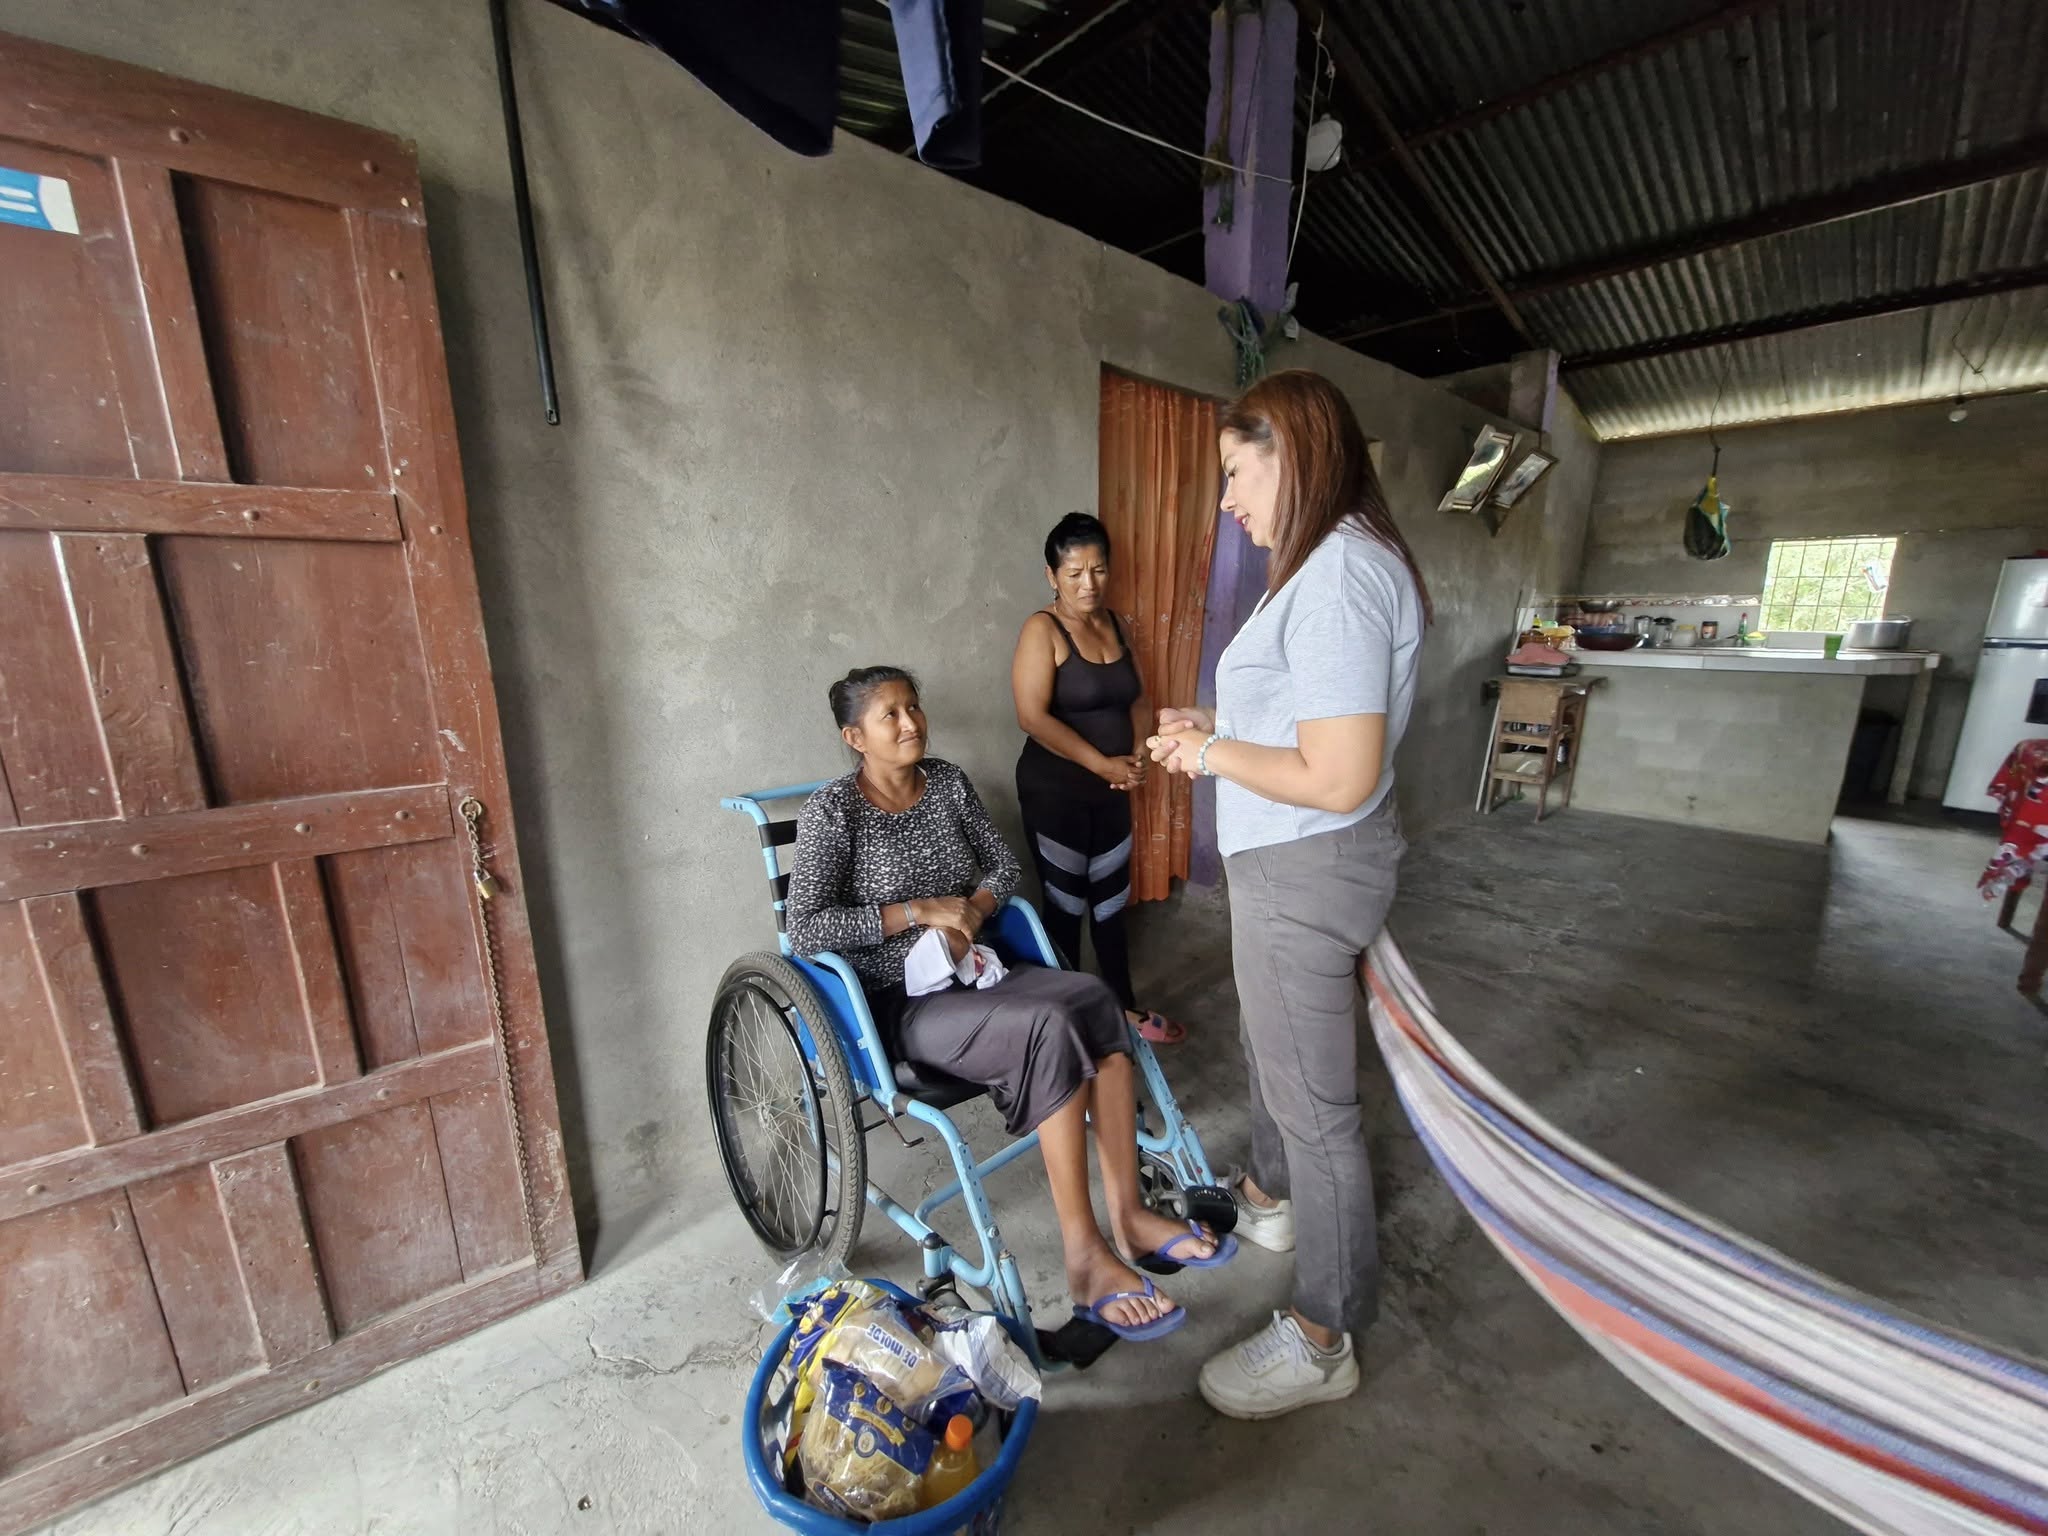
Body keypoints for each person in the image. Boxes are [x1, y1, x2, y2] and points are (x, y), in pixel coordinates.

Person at [785, 666, 1233, 1340]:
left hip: (978, 968)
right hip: (899, 1005)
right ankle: (1085, 1258)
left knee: (1093, 998)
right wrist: (917, 912)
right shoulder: (833, 812)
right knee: (1049, 1025)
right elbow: (806, 929)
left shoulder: (947, 782)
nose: (910, 723)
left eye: (914, 706)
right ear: (855, 737)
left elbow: (1002, 865)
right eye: (890, 715)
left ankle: (1131, 1216)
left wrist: (974, 908)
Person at [1146, 369, 1428, 1419]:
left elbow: (1339, 774)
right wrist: (1217, 725)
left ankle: (1322, 1336)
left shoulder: (1340, 573)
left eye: (1236, 473)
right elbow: (1311, 725)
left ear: (1294, 456)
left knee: (1317, 1114)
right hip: (1294, 859)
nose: (1226, 500)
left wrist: (1210, 752)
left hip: (1309, 864)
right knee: (1273, 1054)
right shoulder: (1325, 564)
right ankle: (1268, 1200)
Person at [1010, 513, 1186, 1046]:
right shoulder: (1043, 630)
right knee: (1065, 907)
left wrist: (1135, 754)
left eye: (1099, 570)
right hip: (1055, 792)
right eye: (1074, 573)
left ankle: (1124, 1010)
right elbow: (1032, 718)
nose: (1089, 584)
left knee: (1111, 904)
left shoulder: (1114, 623)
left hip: (1111, 788)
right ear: (1052, 576)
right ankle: (1065, 1026)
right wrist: (1101, 764)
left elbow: (1138, 698)